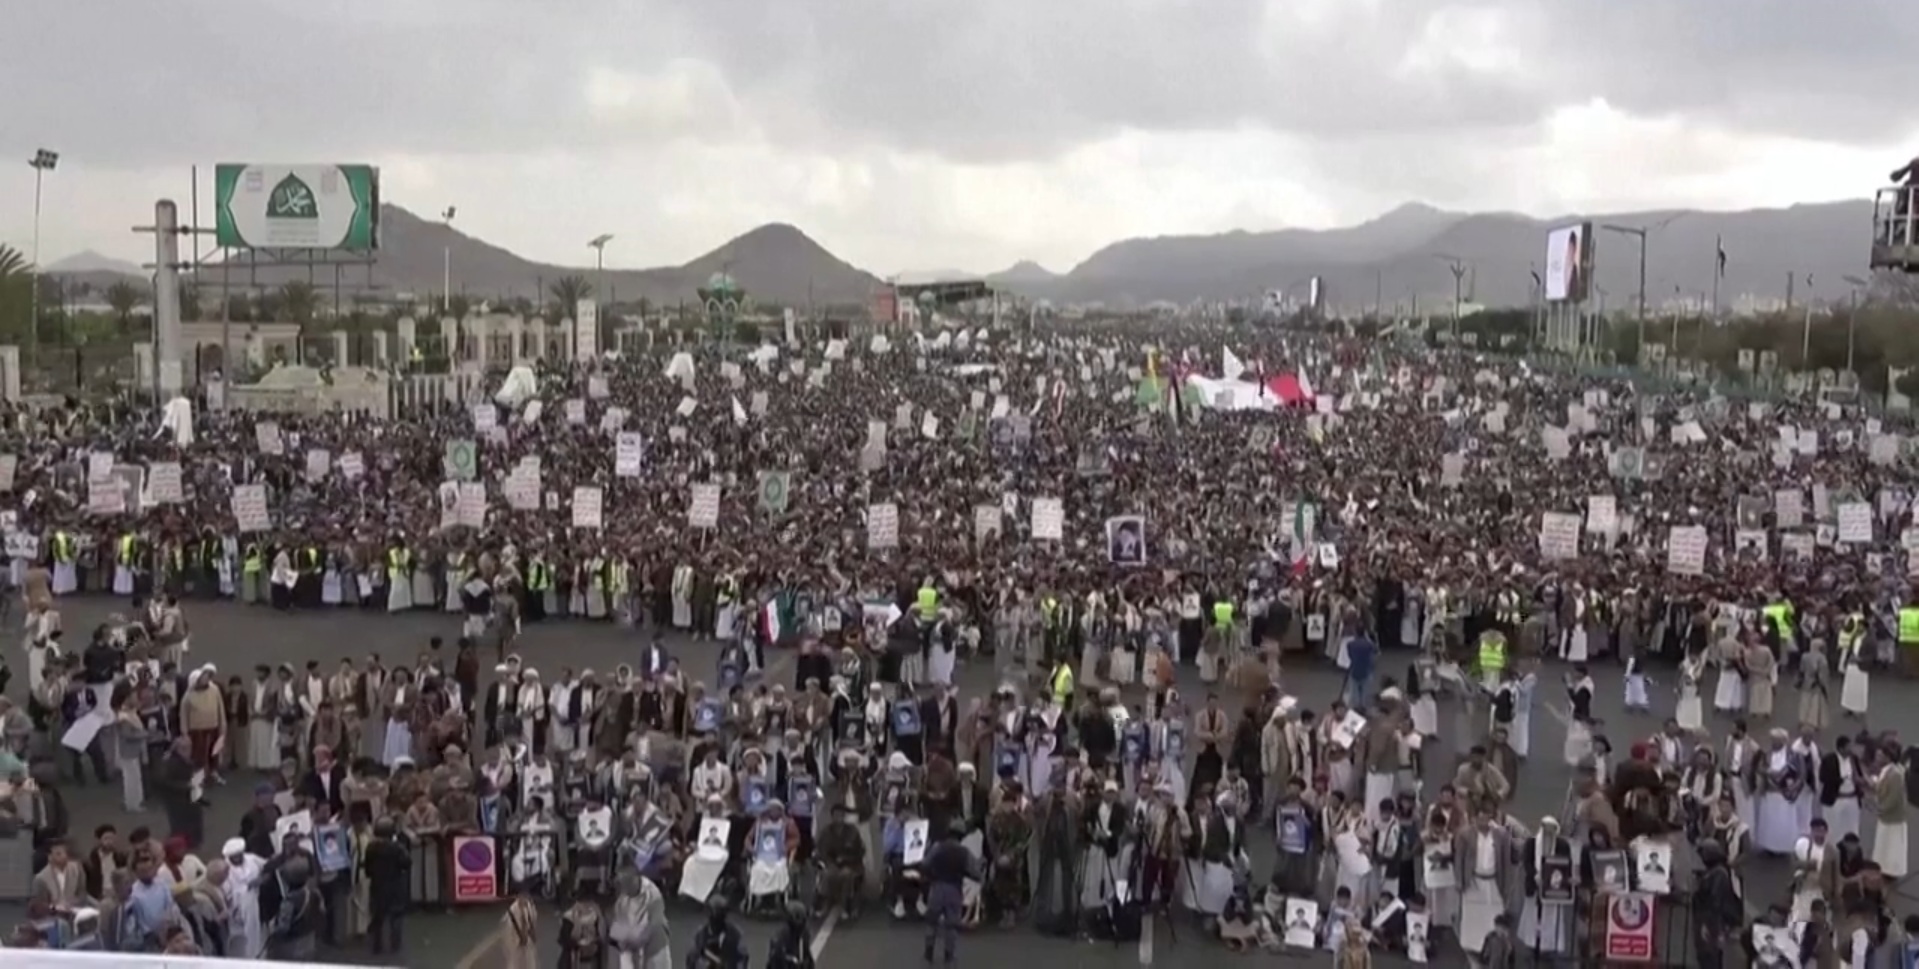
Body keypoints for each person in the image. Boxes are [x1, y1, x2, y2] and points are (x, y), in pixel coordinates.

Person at [922, 823, 973, 968]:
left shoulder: (937, 848)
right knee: (951, 926)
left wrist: (930, 876)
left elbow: (925, 864)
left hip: (937, 888)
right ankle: (949, 958)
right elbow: (974, 871)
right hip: (954, 890)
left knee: (931, 923)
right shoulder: (964, 852)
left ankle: (928, 955)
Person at [362, 818, 411, 957]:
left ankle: (377, 946)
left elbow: (367, 868)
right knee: (396, 916)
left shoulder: (371, 847)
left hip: (377, 885)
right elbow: (407, 862)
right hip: (395, 885)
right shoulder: (397, 847)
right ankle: (395, 945)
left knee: (378, 916)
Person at [686, 895, 747, 969]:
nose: (717, 920)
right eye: (716, 915)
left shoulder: (734, 934)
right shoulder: (701, 935)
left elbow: (743, 959)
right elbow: (691, 960)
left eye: (721, 915)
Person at [767, 900, 815, 969]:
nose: (800, 923)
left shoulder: (804, 934)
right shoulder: (780, 938)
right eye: (797, 918)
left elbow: (808, 957)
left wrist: (805, 964)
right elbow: (774, 962)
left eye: (802, 919)